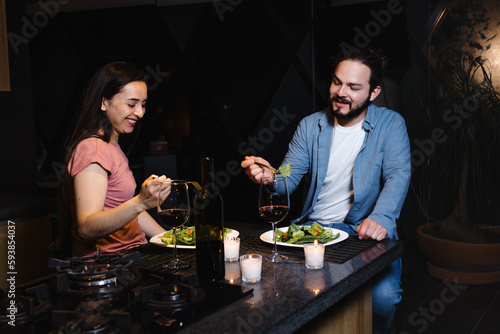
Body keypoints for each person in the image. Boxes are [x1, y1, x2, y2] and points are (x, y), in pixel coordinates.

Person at [241, 47, 411, 334]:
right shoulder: (311, 125)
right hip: (314, 230)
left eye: (354, 87)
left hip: (362, 230)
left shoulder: (391, 124)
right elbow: (288, 178)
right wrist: (269, 177)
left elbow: (398, 174)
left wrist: (382, 217)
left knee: (383, 301)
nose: (341, 92)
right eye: (337, 82)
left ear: (374, 92)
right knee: (285, 296)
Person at [53, 62, 170, 257]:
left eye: (143, 104)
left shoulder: (111, 147)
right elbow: (86, 227)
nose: (140, 113)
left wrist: (169, 239)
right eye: (131, 104)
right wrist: (141, 201)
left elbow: (126, 211)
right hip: (108, 269)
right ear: (104, 102)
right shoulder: (93, 149)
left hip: (131, 259)